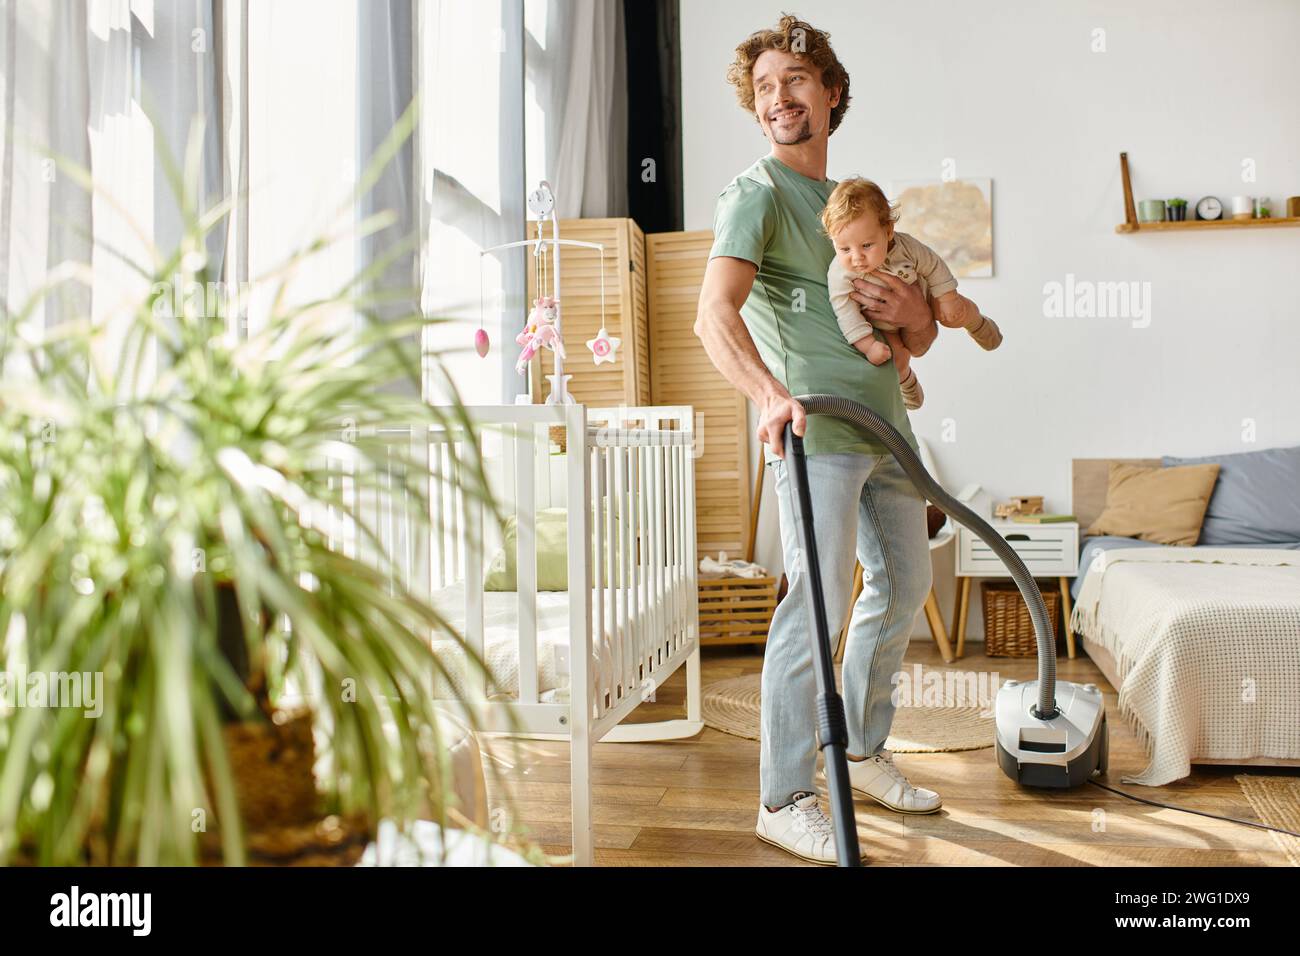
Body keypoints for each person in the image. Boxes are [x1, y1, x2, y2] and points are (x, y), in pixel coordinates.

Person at [694, 14, 943, 865]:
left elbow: (916, 331)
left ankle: (863, 751)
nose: (778, 98)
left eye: (795, 80)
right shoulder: (756, 193)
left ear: (831, 93)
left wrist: (916, 318)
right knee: (820, 600)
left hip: (889, 433)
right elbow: (712, 315)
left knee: (904, 584)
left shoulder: (849, 211)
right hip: (817, 434)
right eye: (764, 87)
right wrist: (765, 392)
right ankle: (785, 794)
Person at [823, 177, 1003, 410]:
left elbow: (933, 265)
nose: (856, 258)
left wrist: (947, 298)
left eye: (867, 245)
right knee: (893, 357)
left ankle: (976, 323)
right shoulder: (839, 272)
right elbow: (843, 310)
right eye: (844, 249)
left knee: (952, 313)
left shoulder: (906, 247)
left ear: (888, 231)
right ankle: (907, 382)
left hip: (923, 298)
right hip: (881, 323)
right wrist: (867, 344)